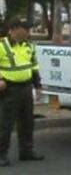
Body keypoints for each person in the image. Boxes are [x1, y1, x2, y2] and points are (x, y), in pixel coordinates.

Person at [0, 17, 44, 167]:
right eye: (25, 29)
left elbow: (34, 67)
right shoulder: (2, 46)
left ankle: (26, 151)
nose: (28, 32)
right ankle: (1, 155)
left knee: (27, 122)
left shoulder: (29, 46)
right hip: (9, 90)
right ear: (15, 30)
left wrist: (38, 86)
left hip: (26, 88)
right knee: (5, 124)